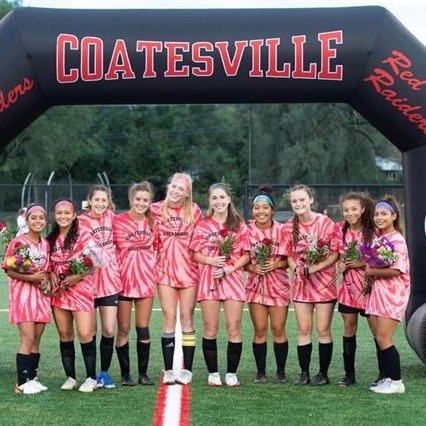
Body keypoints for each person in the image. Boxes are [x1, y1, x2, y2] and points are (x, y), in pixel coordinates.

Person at [191, 182, 250, 387]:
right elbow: (195, 253)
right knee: (210, 327)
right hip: (209, 278)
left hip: (232, 278)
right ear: (210, 200)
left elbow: (247, 254)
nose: (218, 201)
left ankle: (231, 373)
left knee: (233, 327)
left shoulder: (239, 224)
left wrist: (229, 268)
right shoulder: (202, 224)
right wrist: (210, 261)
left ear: (229, 199)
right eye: (214, 198)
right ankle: (213, 373)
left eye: (222, 197)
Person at [282, 184, 339, 386]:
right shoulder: (288, 226)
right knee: (303, 329)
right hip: (301, 285)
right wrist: (296, 267)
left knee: (323, 330)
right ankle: (304, 373)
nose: (298, 204)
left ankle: (323, 374)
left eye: (302, 200)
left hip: (324, 284)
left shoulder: (325, 222)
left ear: (311, 200)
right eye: (294, 201)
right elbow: (288, 255)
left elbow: (335, 253)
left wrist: (316, 268)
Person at [150, 172, 204, 385]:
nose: (175, 191)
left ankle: (187, 370)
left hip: (189, 271)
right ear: (168, 186)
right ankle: (170, 369)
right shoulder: (155, 209)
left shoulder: (194, 211)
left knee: (187, 317)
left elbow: (201, 239)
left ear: (187, 193)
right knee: (169, 316)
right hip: (165, 271)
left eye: (181, 188)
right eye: (173, 186)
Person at [47, 199, 98, 393]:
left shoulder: (83, 234)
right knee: (65, 334)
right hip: (59, 291)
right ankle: (70, 377)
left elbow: (95, 260)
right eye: (59, 212)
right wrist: (51, 273)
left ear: (74, 214)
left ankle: (91, 377)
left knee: (85, 333)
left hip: (81, 289)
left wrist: (78, 276)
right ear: (55, 215)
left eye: (67, 212)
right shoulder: (50, 239)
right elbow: (46, 264)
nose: (63, 216)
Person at [2, 204, 50, 394]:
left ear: (46, 221)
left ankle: (32, 377)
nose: (37, 221)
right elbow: (7, 268)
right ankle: (22, 383)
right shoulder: (18, 242)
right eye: (34, 218)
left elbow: (46, 269)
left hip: (41, 295)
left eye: (41, 218)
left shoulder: (46, 244)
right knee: (27, 337)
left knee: (37, 338)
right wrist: (31, 278)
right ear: (27, 220)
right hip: (23, 295)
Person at [113, 182, 157, 386]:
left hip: (146, 281)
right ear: (131, 199)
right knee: (123, 329)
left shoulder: (154, 222)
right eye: (138, 199)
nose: (141, 203)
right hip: (122, 282)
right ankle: (125, 374)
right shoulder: (118, 221)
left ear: (150, 202)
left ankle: (143, 373)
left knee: (143, 327)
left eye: (145, 200)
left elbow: (160, 247)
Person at [245, 185, 290, 384]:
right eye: (257, 208)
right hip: (256, 286)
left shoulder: (283, 230)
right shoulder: (246, 230)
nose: (260, 211)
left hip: (279, 286)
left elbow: (291, 259)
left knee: (278, 329)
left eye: (265, 208)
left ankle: (281, 372)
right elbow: (238, 258)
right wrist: (251, 268)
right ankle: (260, 372)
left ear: (272, 210)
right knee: (260, 329)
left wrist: (277, 263)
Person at [79, 185, 122, 389]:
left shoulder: (113, 218)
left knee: (109, 328)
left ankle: (104, 373)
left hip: (110, 280)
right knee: (91, 330)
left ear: (108, 202)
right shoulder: (79, 221)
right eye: (97, 200)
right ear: (89, 200)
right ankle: (91, 375)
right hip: (87, 282)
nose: (100, 204)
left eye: (104, 200)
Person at [365, 196, 410, 394]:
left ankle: (396, 382)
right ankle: (388, 379)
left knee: (384, 338)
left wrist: (371, 272)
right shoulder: (380, 238)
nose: (379, 217)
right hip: (378, 293)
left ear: (394, 216)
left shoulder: (397, 240)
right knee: (379, 337)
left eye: (384, 213)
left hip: (392, 295)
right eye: (376, 214)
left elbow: (397, 271)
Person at [336, 192, 375, 386]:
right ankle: (349, 375)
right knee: (349, 328)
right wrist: (341, 266)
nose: (350, 213)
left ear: (363, 209)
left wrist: (361, 262)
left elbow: (381, 259)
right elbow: (338, 257)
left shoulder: (373, 231)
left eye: (354, 209)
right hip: (348, 290)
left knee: (377, 332)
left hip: (369, 289)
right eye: (346, 210)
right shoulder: (339, 231)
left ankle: (384, 374)